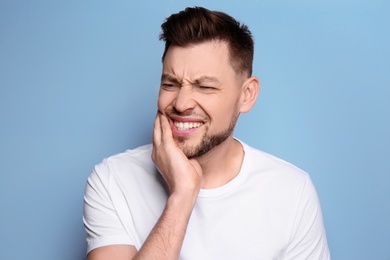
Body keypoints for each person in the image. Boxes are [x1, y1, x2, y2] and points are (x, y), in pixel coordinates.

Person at [83, 6, 330, 260]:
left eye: (205, 87)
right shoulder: (112, 180)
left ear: (247, 95)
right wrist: (182, 196)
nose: (181, 103)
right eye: (170, 83)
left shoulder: (292, 191)